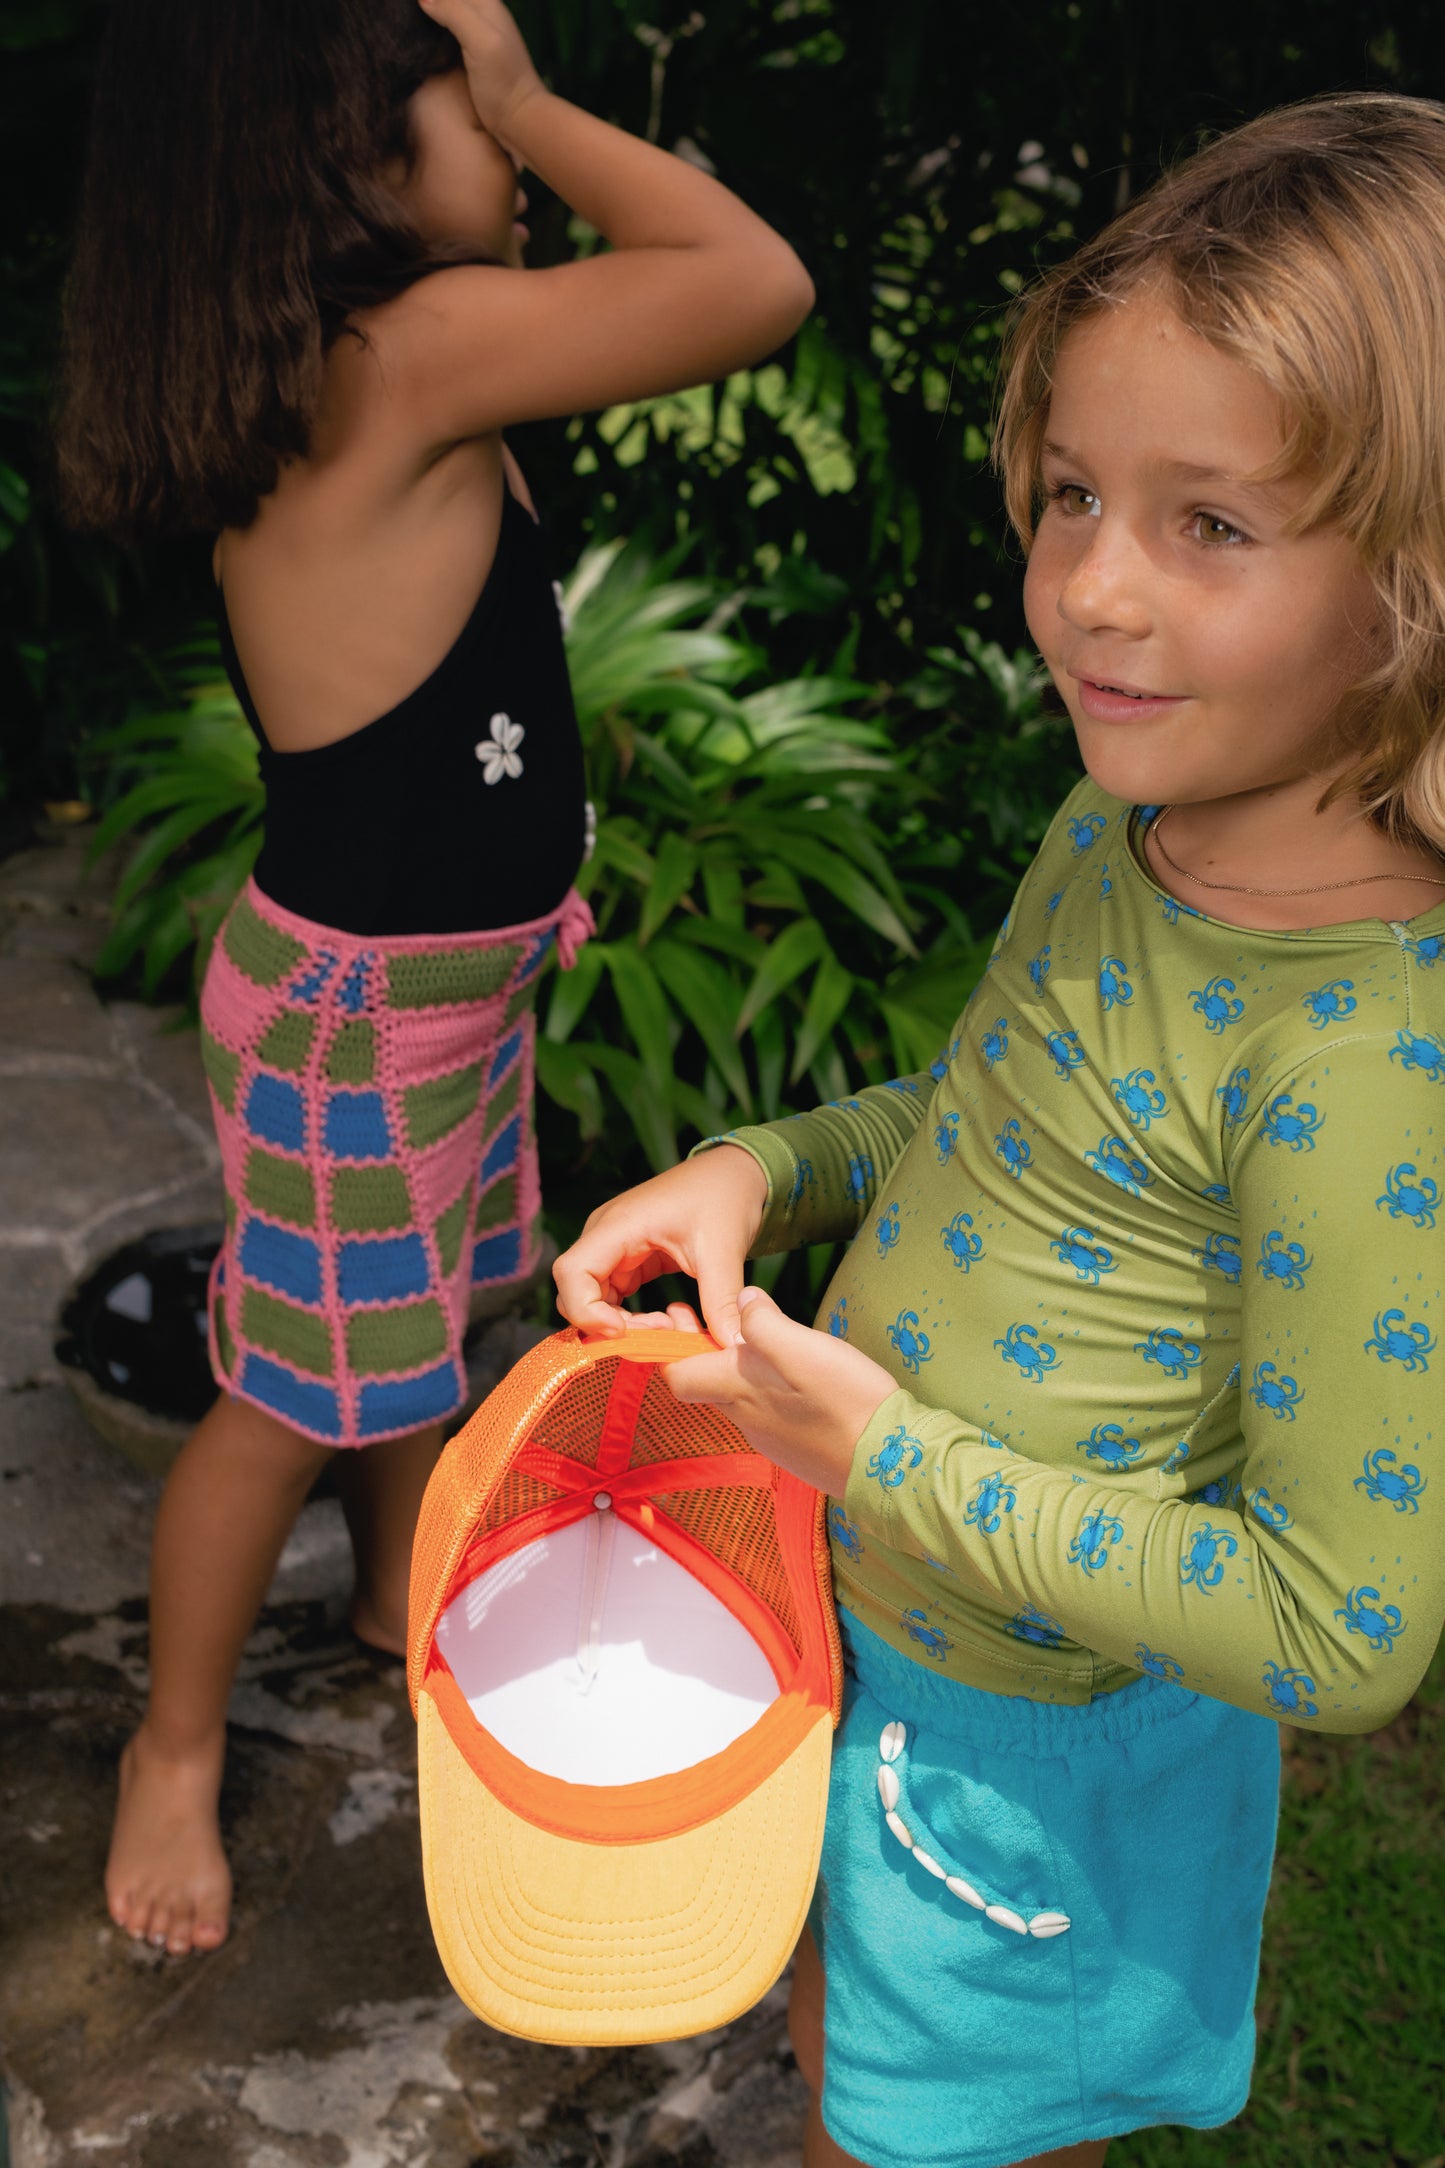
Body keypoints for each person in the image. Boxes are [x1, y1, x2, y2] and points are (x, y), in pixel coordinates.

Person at [554, 92, 1445, 2168]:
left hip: (1034, 1760)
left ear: (1417, 580)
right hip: (871, 1620)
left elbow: (1343, 1625)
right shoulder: (1132, 818)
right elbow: (998, 1112)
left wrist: (892, 1457)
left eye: (1208, 523)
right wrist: (767, 1166)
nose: (1087, 594)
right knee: (837, 2039)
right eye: (1069, 494)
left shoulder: (1359, 1072)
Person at [54, 0, 813, 1960]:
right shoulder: (411, 353)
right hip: (367, 1020)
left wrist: (487, 100)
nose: (500, 137)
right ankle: (169, 1744)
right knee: (282, 1392)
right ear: (360, 157)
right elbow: (753, 280)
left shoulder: (362, 362)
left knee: (414, 1323)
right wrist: (541, 96)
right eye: (459, 106)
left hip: (425, 996)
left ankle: (403, 1599)